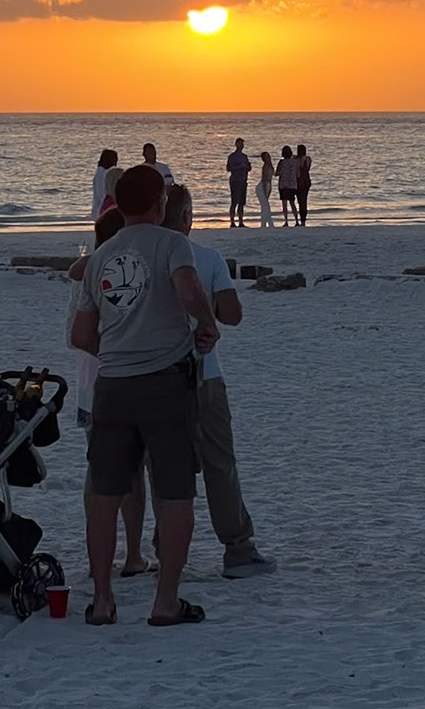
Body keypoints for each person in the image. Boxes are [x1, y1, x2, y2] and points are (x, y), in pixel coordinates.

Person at [69, 164, 219, 627]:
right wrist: (207, 324)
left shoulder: (101, 256)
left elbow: (80, 333)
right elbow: (188, 288)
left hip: (112, 386)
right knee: (175, 493)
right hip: (163, 382)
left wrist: (116, 349)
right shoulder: (171, 243)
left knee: (104, 493)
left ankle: (101, 599)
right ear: (158, 203)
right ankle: (165, 601)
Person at [162, 185, 275, 577]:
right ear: (186, 217)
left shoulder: (148, 257)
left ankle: (166, 547)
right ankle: (237, 548)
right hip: (204, 374)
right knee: (220, 463)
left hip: (158, 376)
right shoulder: (207, 259)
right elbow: (233, 314)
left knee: (168, 467)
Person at [67, 209, 153, 578]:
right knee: (130, 472)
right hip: (120, 382)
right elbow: (81, 337)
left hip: (94, 387)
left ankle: (107, 556)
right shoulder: (126, 272)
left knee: (100, 473)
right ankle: (131, 553)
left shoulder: (86, 274)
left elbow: (76, 335)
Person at [225, 139, 252, 229]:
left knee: (241, 202)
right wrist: (239, 167)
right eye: (240, 144)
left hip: (243, 180)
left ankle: (241, 221)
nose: (242, 146)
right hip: (235, 180)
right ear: (236, 144)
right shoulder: (232, 156)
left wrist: (247, 167)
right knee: (234, 202)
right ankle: (232, 222)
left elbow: (248, 168)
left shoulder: (245, 156)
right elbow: (228, 168)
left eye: (242, 144)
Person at [92, 149, 120, 217]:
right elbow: (101, 193)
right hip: (103, 208)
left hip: (99, 208)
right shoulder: (103, 173)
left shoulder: (101, 172)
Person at [275, 146, 297, 225]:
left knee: (284, 204)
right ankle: (297, 220)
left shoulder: (281, 162)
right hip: (292, 184)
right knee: (292, 203)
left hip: (283, 184)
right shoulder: (294, 162)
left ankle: (286, 221)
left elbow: (277, 173)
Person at [293, 143, 313, 225]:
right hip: (305, 182)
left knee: (301, 201)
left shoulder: (299, 160)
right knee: (303, 201)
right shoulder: (307, 159)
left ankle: (302, 219)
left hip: (300, 182)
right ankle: (303, 220)